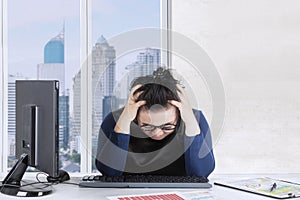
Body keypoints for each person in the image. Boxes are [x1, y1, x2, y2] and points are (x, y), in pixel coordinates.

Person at [95, 67, 215, 177]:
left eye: (167, 127)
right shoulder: (116, 120)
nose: (157, 134)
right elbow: (109, 173)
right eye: (147, 126)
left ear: (178, 114)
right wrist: (124, 122)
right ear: (136, 116)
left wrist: (190, 123)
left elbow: (201, 174)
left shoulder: (194, 119)